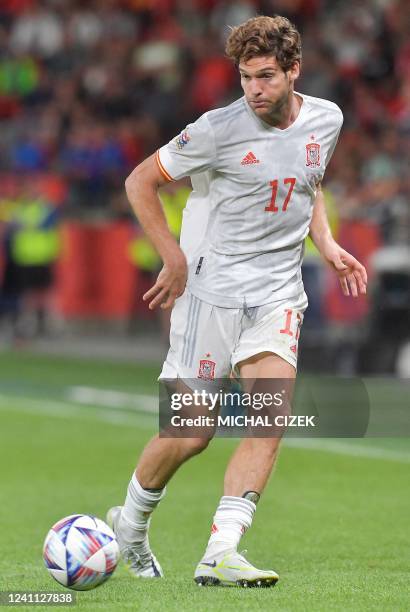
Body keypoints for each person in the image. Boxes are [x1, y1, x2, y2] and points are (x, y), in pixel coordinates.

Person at [108, 15, 367, 587]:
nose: (254, 89)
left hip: (277, 293)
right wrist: (172, 255)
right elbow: (138, 181)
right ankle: (129, 523)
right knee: (191, 432)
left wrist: (324, 241)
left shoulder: (328, 119)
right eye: (246, 77)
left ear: (294, 71)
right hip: (212, 292)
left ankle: (220, 552)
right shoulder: (217, 129)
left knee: (267, 421)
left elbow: (309, 182)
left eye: (267, 76)